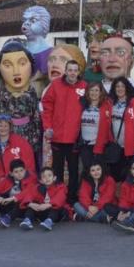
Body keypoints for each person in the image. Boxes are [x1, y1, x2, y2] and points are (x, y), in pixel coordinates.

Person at [40, 60, 87, 202]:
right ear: (65, 71)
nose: (72, 73)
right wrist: (47, 127)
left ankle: (71, 200)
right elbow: (46, 107)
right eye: (70, 70)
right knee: (57, 170)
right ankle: (57, 198)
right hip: (57, 136)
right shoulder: (55, 85)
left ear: (78, 72)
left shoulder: (84, 87)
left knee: (74, 170)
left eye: (75, 70)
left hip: (74, 137)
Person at [0, 41, 42, 164]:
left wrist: (36, 136)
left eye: (22, 63)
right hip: (9, 132)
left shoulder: (31, 92)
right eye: (7, 65)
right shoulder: (1, 93)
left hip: (28, 132)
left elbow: (35, 116)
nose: (16, 71)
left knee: (27, 160)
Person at [0, 116, 37, 184]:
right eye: (0, 126)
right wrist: (0, 177)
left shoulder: (21, 142)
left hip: (21, 181)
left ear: (10, 127)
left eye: (6, 126)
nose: (3, 128)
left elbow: (29, 162)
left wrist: (19, 176)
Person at [0, 159, 33, 228]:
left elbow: (27, 192)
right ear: (11, 173)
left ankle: (8, 218)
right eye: (16, 172)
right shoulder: (7, 180)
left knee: (21, 202)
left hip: (22, 208)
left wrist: (11, 199)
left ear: (25, 170)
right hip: (8, 205)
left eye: (21, 170)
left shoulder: (30, 178)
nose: (19, 174)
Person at [78, 83, 111, 173]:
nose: (94, 93)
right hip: (85, 146)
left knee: (99, 173)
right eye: (91, 90)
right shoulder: (82, 106)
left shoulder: (106, 107)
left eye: (96, 90)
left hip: (99, 145)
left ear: (101, 92)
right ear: (88, 92)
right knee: (87, 172)